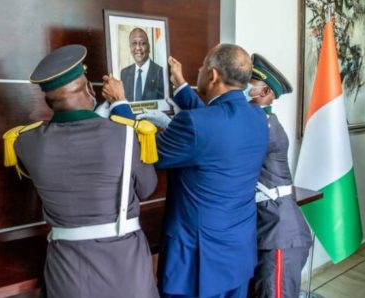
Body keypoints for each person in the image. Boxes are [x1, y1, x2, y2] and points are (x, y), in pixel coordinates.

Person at [103, 44, 269, 298]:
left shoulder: (197, 124)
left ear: (212, 75)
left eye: (203, 66)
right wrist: (180, 86)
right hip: (237, 254)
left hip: (197, 261)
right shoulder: (257, 117)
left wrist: (120, 104)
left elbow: (143, 152)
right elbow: (215, 122)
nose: (199, 70)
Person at [3, 44, 159, 298]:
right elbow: (147, 187)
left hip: (67, 276)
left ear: (47, 100)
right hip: (126, 273)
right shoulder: (127, 134)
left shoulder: (24, 141)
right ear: (89, 89)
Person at [246, 53, 312, 298]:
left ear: (264, 92)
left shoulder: (264, 126)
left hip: (280, 235)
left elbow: (219, 138)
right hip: (271, 229)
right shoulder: (259, 121)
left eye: (247, 86)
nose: (240, 89)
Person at [120, 27, 165, 101]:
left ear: (149, 47)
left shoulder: (160, 72)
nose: (138, 48)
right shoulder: (124, 73)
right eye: (134, 43)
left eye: (143, 43)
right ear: (130, 47)